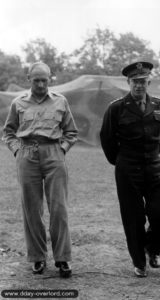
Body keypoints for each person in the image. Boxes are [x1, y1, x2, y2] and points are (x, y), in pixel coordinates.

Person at [2, 62, 78, 278]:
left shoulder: (60, 101)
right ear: (29, 79)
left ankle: (63, 258)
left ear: (50, 79)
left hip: (54, 154)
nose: (41, 84)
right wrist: (18, 151)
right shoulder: (18, 103)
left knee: (59, 208)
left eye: (44, 80)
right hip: (27, 153)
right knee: (32, 209)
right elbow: (8, 132)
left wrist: (61, 149)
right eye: (36, 80)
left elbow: (71, 132)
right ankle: (37, 258)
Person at [100, 61, 160, 278]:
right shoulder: (116, 108)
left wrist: (151, 157)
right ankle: (139, 262)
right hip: (128, 169)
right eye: (135, 81)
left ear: (149, 81)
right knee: (133, 217)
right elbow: (107, 139)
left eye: (143, 81)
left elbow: (159, 137)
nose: (139, 85)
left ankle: (152, 249)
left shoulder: (159, 105)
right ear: (128, 82)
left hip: (153, 167)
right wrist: (121, 161)